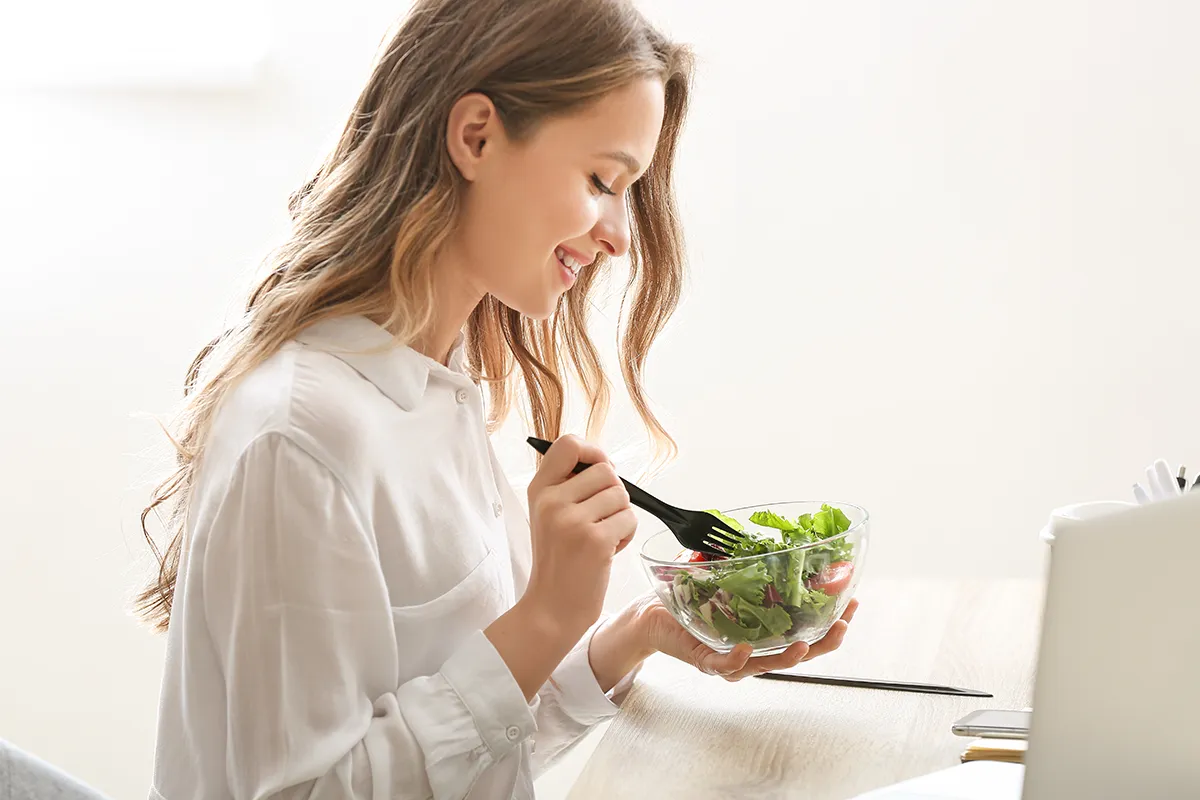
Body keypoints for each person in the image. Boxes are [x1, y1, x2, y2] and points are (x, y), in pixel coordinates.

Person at [137, 1, 858, 797]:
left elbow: (473, 750)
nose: (620, 234)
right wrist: (546, 614)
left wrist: (640, 632)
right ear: (475, 136)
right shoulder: (301, 436)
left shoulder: (444, 394)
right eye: (602, 180)